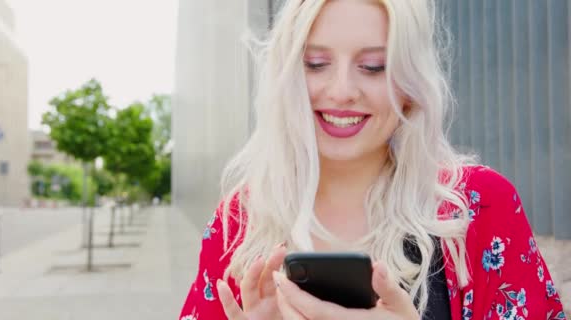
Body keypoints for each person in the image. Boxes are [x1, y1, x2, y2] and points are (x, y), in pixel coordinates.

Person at [179, 0, 567, 319]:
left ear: (410, 86)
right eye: (315, 63)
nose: (342, 91)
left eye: (373, 67)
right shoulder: (240, 223)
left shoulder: (477, 207)